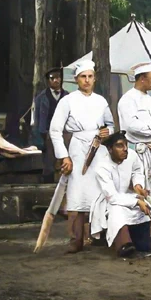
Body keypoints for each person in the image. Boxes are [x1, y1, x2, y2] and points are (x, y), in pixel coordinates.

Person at [49, 60, 114, 253]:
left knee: (100, 191)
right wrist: (64, 157)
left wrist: (106, 132)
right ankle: (76, 239)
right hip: (77, 150)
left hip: (98, 149)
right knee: (77, 193)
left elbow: (110, 125)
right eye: (83, 77)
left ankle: (98, 235)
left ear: (94, 78)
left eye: (90, 77)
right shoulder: (67, 101)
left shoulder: (101, 101)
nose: (86, 81)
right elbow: (55, 130)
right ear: (76, 79)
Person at [89, 131, 151, 258]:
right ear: (109, 149)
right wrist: (137, 201)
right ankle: (124, 245)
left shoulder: (132, 156)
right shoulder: (102, 167)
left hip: (127, 195)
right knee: (117, 210)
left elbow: (137, 171)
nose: (125, 149)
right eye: (119, 146)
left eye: (126, 145)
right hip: (108, 201)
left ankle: (142, 245)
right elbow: (112, 197)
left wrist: (138, 185)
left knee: (144, 208)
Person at [118, 62, 151, 212]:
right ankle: (139, 223)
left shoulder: (148, 99)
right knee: (139, 186)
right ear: (142, 79)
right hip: (138, 152)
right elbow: (130, 125)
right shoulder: (128, 100)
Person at [33, 67, 68, 182]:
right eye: (52, 78)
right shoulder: (40, 98)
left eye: (58, 77)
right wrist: (39, 137)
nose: (56, 80)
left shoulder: (68, 97)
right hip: (47, 134)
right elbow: (37, 120)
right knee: (49, 163)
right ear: (48, 80)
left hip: (65, 133)